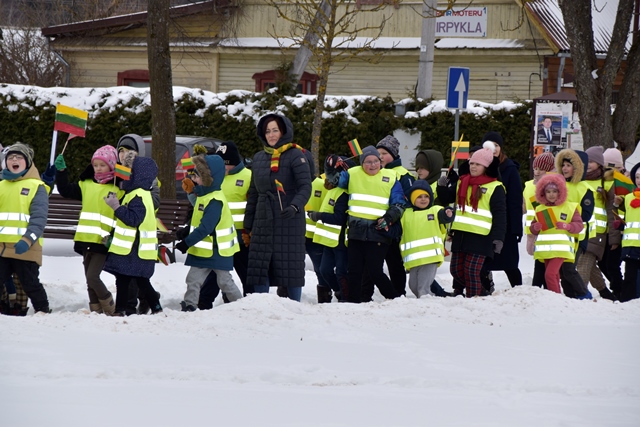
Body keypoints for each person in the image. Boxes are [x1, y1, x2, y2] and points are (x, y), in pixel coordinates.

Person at [244, 113, 312, 302]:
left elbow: (306, 186)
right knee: (260, 264)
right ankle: (261, 305)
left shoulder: (296, 155)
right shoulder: (258, 158)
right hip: (263, 218)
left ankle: (295, 305)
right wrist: (247, 224)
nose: (271, 135)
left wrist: (295, 207)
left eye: (275, 130)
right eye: (268, 131)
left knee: (290, 266)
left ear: (284, 131)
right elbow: (254, 192)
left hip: (288, 218)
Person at [54, 146, 123, 314]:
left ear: (112, 166)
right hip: (85, 238)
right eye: (96, 165)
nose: (98, 168)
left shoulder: (118, 188)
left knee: (93, 276)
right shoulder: (86, 184)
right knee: (88, 279)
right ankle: (95, 311)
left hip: (103, 240)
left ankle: (110, 308)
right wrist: (61, 171)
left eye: (102, 165)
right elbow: (65, 190)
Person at [175, 154, 243, 311]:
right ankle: (189, 305)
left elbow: (206, 227)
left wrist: (186, 243)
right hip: (203, 250)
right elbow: (199, 222)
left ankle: (240, 306)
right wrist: (186, 232)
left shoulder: (214, 200)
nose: (194, 179)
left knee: (224, 281)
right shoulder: (203, 195)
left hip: (218, 249)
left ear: (208, 178)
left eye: (196, 176)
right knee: (193, 279)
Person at [338, 145, 404, 303]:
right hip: (356, 231)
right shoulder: (352, 174)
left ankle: (394, 299)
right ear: (361, 164)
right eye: (368, 162)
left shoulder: (391, 177)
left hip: (378, 232)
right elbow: (336, 182)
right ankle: (353, 302)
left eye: (376, 161)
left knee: (375, 271)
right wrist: (330, 166)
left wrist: (388, 218)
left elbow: (399, 204)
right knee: (354, 270)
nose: (373, 165)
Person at [102, 152, 163, 316]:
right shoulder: (135, 194)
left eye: (128, 172)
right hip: (131, 249)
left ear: (137, 175)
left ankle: (156, 308)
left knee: (141, 281)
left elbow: (133, 219)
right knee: (124, 279)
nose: (124, 176)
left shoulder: (139, 196)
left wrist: (116, 207)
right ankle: (121, 310)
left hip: (135, 249)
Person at [196, 141, 252, 309]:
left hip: (242, 238)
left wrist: (250, 230)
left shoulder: (249, 176)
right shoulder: (215, 177)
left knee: (247, 276)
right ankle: (204, 304)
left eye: (225, 165)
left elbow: (254, 207)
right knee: (214, 274)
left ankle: (252, 305)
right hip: (220, 238)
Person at [448, 147, 506, 297]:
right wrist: (443, 186)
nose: (473, 167)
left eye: (477, 164)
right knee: (455, 270)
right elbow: (447, 199)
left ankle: (473, 300)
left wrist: (498, 238)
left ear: (486, 167)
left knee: (471, 271)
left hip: (481, 236)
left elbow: (500, 215)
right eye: (471, 163)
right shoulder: (463, 182)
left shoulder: (495, 187)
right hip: (461, 234)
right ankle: (481, 293)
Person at [0, 143, 51, 314]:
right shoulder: (2, 185)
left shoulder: (37, 186)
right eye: (10, 157)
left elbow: (39, 218)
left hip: (26, 247)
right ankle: (5, 308)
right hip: (3, 247)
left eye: (19, 157)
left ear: (28, 163)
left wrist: (28, 239)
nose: (14, 160)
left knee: (29, 283)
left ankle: (43, 310)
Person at [307, 155, 353, 303]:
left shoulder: (345, 194)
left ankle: (346, 298)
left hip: (340, 241)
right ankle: (339, 291)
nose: (331, 178)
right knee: (324, 270)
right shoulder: (333, 190)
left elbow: (339, 218)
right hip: (327, 240)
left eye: (334, 175)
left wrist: (319, 215)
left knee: (341, 272)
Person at [481, 131, 524, 288]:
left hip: (505, 224)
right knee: (484, 261)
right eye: (489, 144)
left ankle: (518, 289)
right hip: (485, 222)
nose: (493, 148)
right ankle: (485, 287)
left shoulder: (509, 169)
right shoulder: (480, 167)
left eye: (497, 145)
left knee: (509, 262)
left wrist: (516, 228)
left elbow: (515, 200)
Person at [399, 180, 455, 298]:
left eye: (426, 196)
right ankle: (428, 298)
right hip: (413, 259)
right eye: (419, 197)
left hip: (431, 257)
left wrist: (448, 214)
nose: (423, 199)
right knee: (413, 286)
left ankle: (426, 303)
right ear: (412, 198)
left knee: (423, 287)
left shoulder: (434, 210)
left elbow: (443, 215)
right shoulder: (406, 214)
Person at [530, 174, 583, 294]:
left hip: (561, 249)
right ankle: (556, 299)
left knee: (549, 274)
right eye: (548, 191)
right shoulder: (539, 209)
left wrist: (567, 226)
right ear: (542, 193)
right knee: (553, 276)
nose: (551, 194)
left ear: (561, 191)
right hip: (546, 250)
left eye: (555, 191)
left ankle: (555, 298)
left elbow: (579, 225)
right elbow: (533, 228)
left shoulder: (570, 207)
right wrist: (535, 227)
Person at [578, 146, 617, 300]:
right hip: (580, 229)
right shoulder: (579, 179)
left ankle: (579, 293)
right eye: (587, 160)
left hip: (598, 232)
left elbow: (611, 210)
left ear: (600, 164)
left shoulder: (606, 180)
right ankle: (604, 292)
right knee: (588, 263)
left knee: (583, 262)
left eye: (593, 161)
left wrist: (613, 237)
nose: (589, 164)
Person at [554, 149, 594, 299]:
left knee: (569, 268)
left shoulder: (585, 189)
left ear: (577, 168)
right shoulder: (559, 185)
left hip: (577, 235)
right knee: (563, 270)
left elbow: (587, 215)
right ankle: (570, 297)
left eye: (568, 165)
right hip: (561, 233)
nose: (564, 168)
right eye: (563, 165)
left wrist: (568, 217)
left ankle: (584, 294)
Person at [524, 152, 555, 289]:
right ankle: (538, 290)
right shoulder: (528, 185)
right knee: (538, 260)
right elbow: (524, 207)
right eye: (535, 168)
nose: (536, 172)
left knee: (544, 262)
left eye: (540, 169)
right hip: (532, 228)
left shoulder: (553, 186)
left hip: (549, 229)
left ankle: (541, 289)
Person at [601, 147, 626, 298]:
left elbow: (615, 214)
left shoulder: (619, 185)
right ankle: (618, 288)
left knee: (611, 265)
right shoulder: (608, 182)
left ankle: (619, 290)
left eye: (609, 168)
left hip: (617, 232)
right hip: (608, 231)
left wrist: (614, 239)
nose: (606, 171)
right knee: (606, 264)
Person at [614, 161, 640, 302]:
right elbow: (627, 219)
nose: (639, 181)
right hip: (631, 245)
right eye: (637, 177)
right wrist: (620, 223)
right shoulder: (628, 198)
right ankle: (627, 303)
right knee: (629, 277)